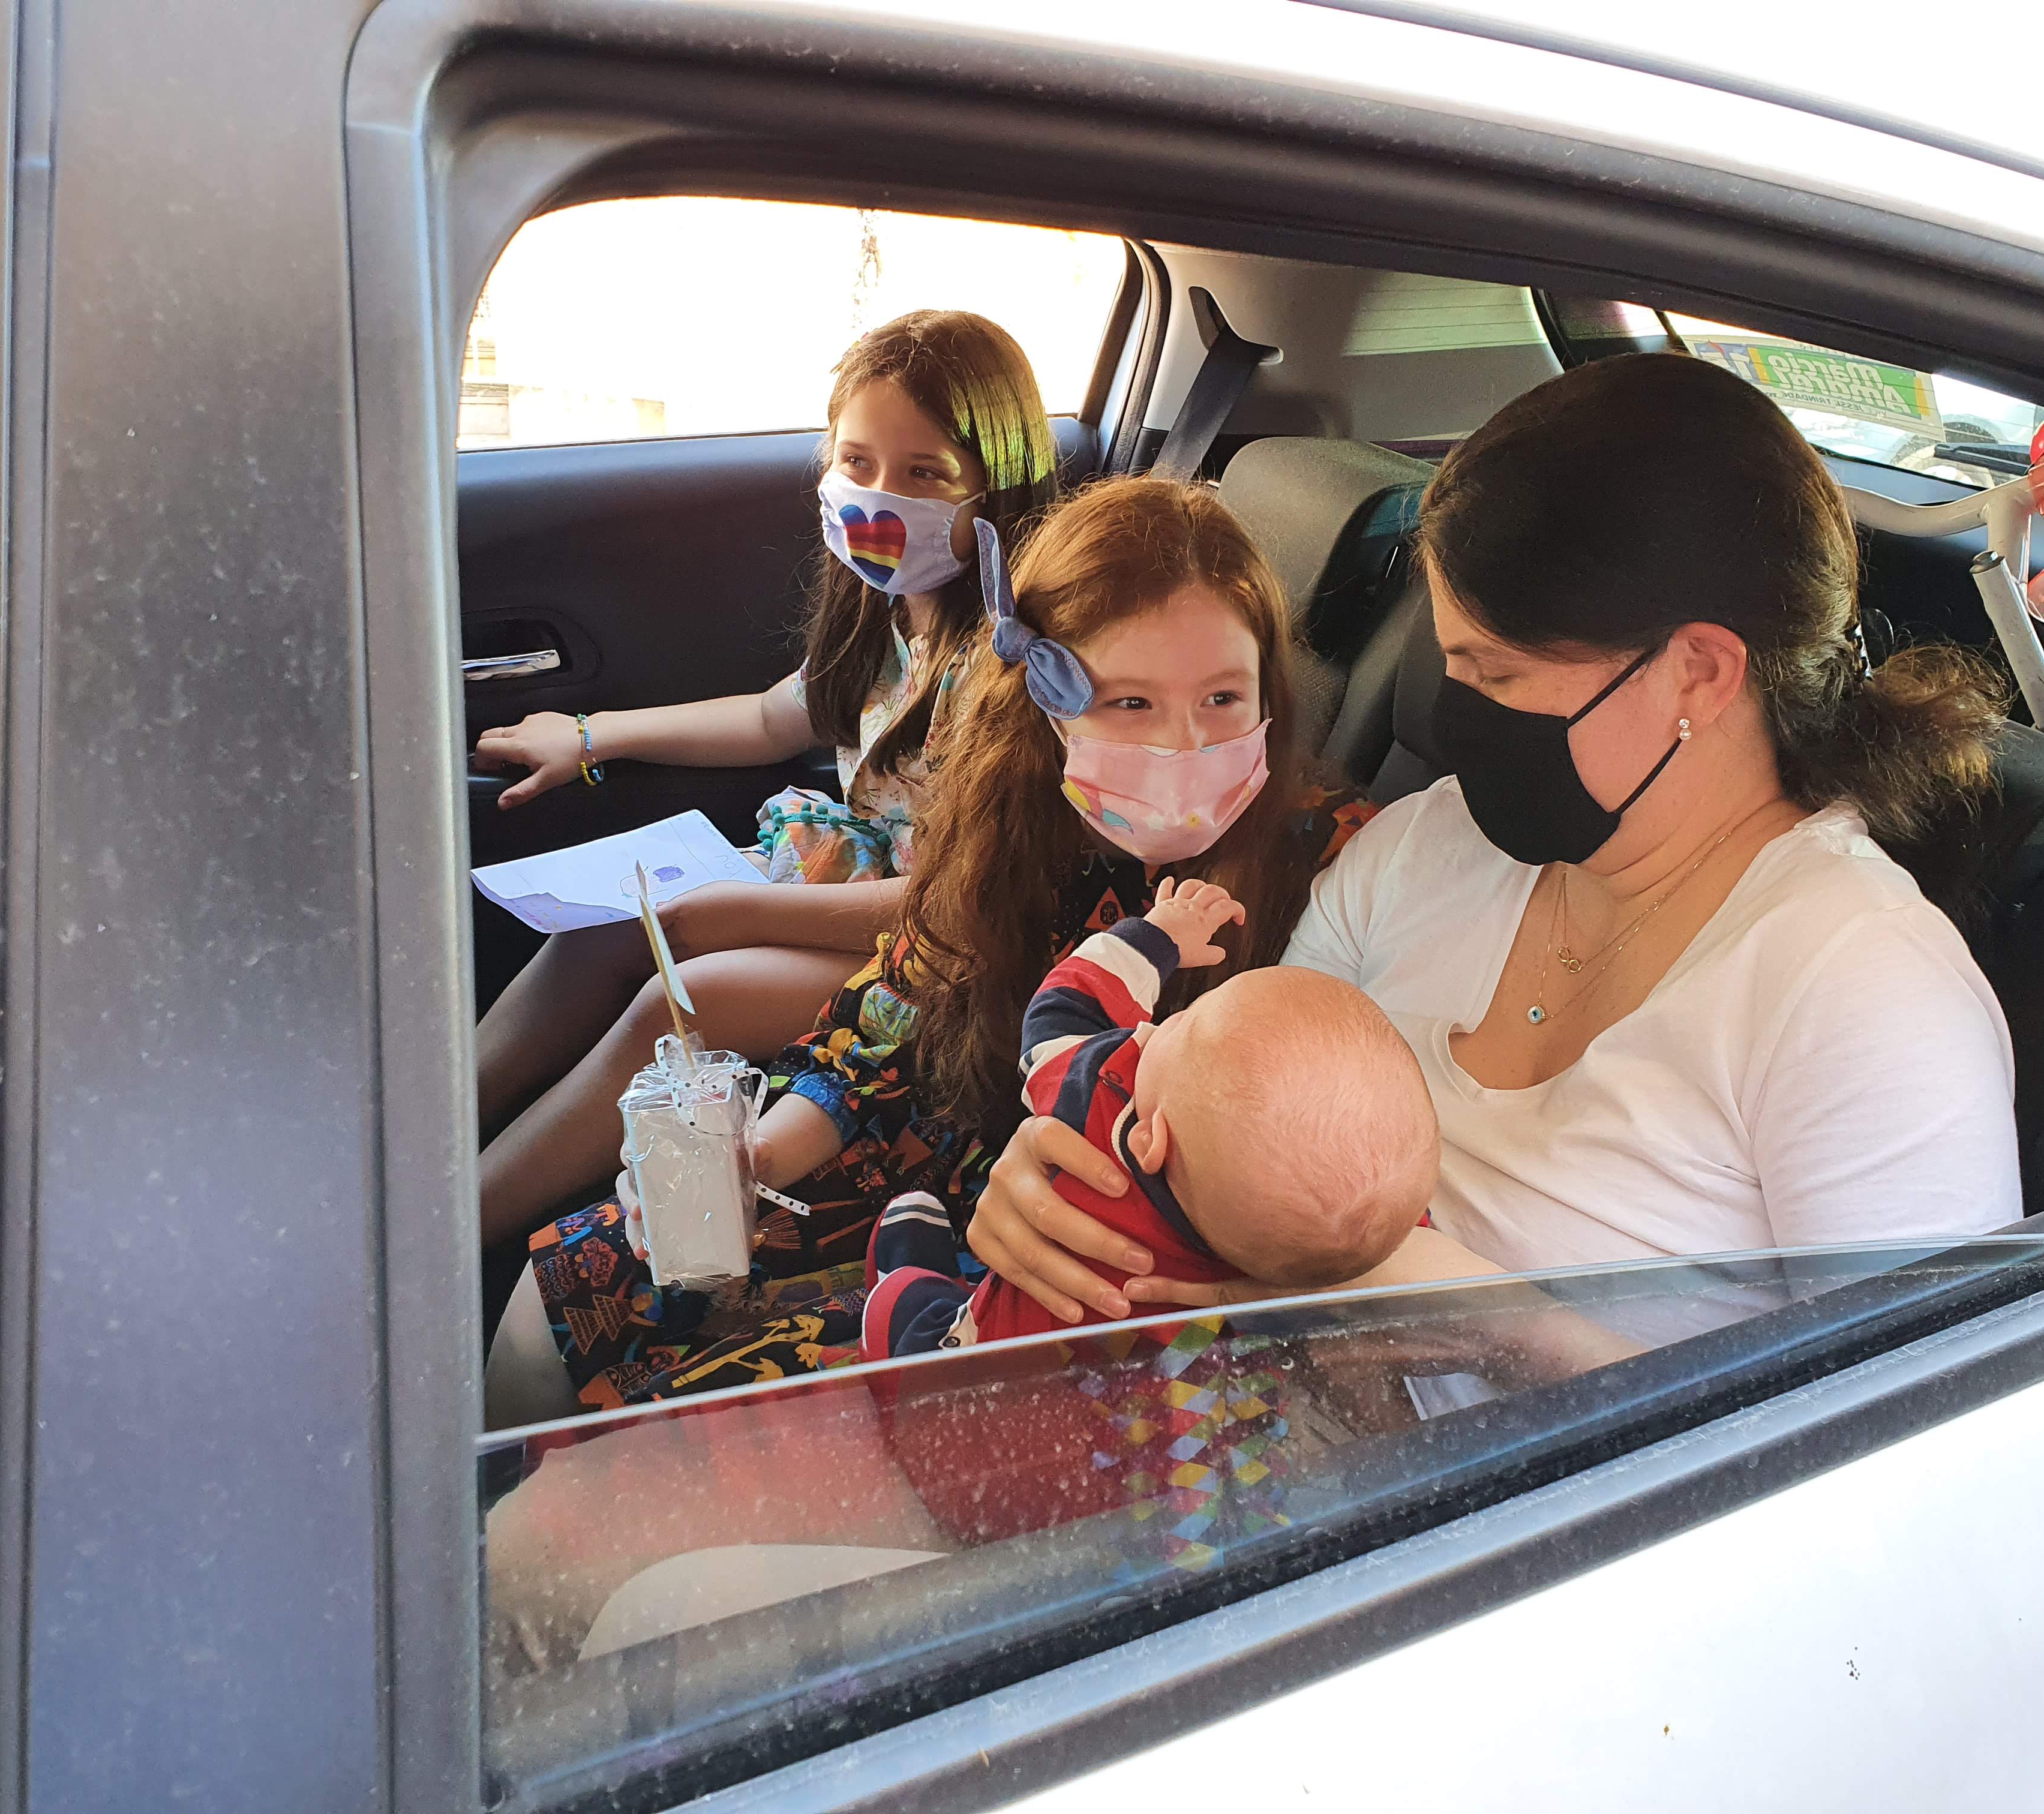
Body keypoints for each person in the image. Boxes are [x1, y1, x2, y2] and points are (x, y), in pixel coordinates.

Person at [965, 351, 2025, 1334]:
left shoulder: (1863, 991)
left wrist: (1499, 1319)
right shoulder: (1420, 849)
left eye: (1498, 673)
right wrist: (1067, 1177)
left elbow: (1920, 1437)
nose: (1457, 712)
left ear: (1699, 672)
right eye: (1453, 663)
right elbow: (1213, 1134)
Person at [502, 473, 1377, 1415]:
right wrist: (759, 1156)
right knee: (558, 1298)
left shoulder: (1337, 866)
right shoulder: (1016, 817)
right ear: (1046, 703)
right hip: (932, 1162)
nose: (1182, 746)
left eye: (1223, 697)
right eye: (1130, 704)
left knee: (689, 1423)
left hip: (1102, 1265)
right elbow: (887, 1021)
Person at [472, 310, 1058, 1248]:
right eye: (857, 461)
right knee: (597, 930)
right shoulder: (889, 612)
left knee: (682, 997)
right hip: (857, 889)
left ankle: (458, 1220)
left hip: (933, 954)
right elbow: (770, 718)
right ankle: (423, 1132)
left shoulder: (1009, 664)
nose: (878, 498)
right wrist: (588, 736)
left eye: (924, 475)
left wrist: (734, 912)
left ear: (1001, 487)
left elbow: (961, 906)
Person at [860, 876, 1439, 1360]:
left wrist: (1155, 939)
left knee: (903, 1305)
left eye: (1184, 1022)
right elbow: (1365, 1204)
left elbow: (1064, 1008)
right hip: (1144, 1420)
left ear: (1149, 1140)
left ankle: (904, 1284)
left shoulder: (1097, 1106)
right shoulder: (1309, 1241)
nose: (1154, 1025)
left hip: (984, 1376)